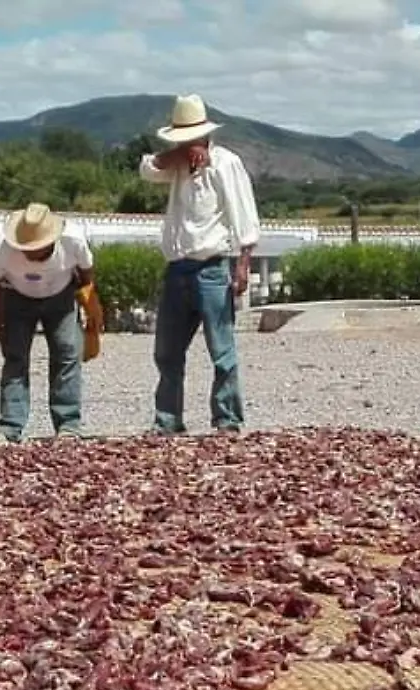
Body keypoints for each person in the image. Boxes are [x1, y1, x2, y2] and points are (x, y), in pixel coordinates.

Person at [137, 93, 261, 435]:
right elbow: (147, 169)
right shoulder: (176, 166)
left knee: (221, 350)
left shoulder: (225, 164)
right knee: (168, 351)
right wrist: (176, 154)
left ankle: (227, 419)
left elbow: (243, 215)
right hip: (177, 267)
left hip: (211, 267)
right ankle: (168, 420)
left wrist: (242, 264)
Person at [0, 203, 94, 442]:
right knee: (15, 359)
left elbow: (87, 273)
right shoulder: (1, 247)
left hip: (61, 298)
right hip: (17, 298)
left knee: (67, 354)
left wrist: (90, 309)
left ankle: (68, 425)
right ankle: (10, 426)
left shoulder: (73, 240)